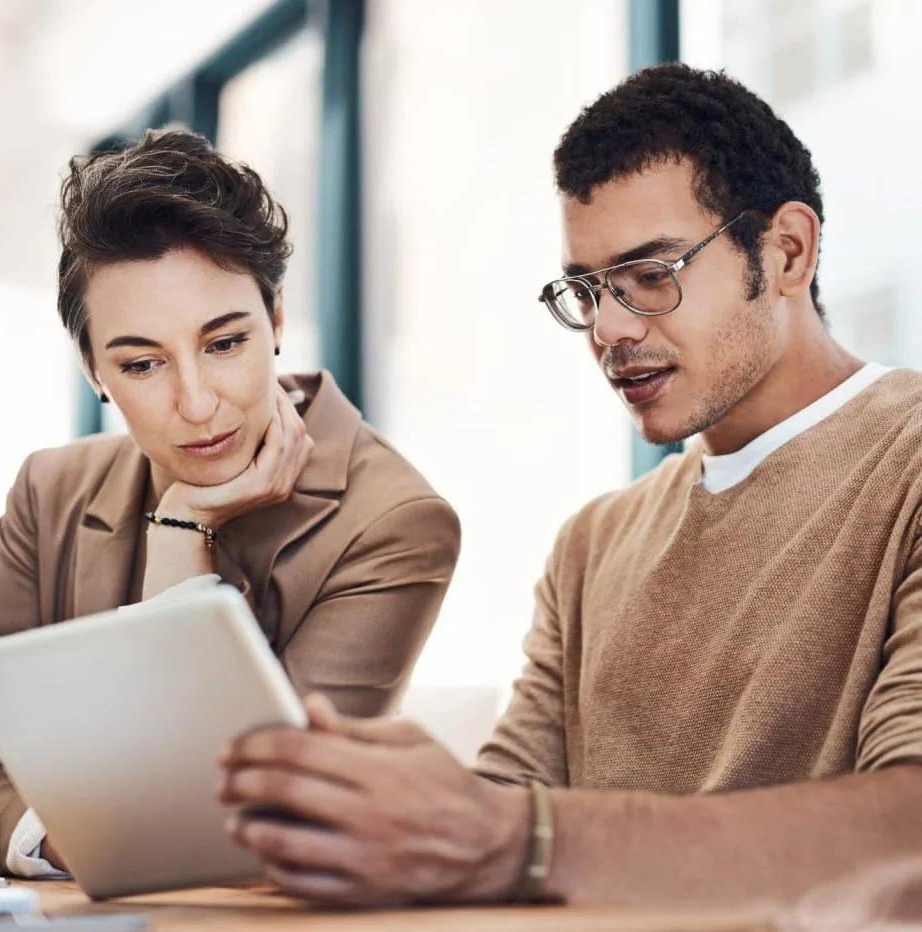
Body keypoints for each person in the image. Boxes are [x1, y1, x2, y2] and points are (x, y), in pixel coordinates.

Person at [216, 63, 922, 911]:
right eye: (587, 289)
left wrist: (516, 839)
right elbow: (499, 817)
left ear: (786, 252)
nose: (610, 330)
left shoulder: (905, 462)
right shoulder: (593, 544)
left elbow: (907, 831)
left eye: (651, 275)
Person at [0, 130, 460, 877]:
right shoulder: (47, 495)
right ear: (95, 369)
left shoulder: (393, 522)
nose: (195, 403)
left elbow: (262, 818)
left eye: (223, 344)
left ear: (277, 321)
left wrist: (186, 533)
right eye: (143, 363)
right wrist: (79, 842)